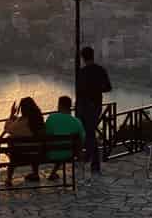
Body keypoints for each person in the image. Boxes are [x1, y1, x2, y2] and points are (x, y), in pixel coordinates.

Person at [76, 46, 112, 174]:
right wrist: (97, 89)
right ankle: (91, 160)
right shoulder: (100, 70)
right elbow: (108, 87)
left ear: (83, 57)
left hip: (84, 106)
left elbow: (79, 91)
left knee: (88, 133)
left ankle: (93, 161)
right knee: (90, 132)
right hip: (96, 105)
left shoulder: (82, 72)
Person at [3, 96, 45, 186]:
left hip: (19, 156)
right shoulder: (39, 121)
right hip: (38, 155)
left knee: (11, 144)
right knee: (34, 147)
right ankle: (35, 173)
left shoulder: (22, 123)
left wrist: (11, 115)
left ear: (22, 109)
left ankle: (9, 179)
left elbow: (7, 129)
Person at [43, 96, 85, 181]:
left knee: (58, 146)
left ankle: (53, 173)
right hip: (69, 154)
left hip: (51, 153)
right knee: (63, 147)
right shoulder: (76, 121)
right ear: (70, 106)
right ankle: (54, 173)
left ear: (59, 105)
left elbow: (46, 134)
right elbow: (82, 139)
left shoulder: (51, 118)